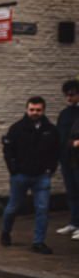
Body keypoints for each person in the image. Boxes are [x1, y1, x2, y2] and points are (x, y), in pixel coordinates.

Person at [0, 96, 60, 254]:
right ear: (27, 110)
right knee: (13, 207)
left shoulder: (51, 130)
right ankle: (5, 232)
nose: (35, 113)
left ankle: (38, 242)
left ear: (43, 110)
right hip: (20, 176)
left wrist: (51, 168)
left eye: (38, 110)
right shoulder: (17, 128)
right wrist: (13, 168)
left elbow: (56, 151)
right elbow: (8, 149)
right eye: (32, 109)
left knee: (42, 209)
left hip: (42, 177)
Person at [55, 80, 79, 239]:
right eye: (67, 95)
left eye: (72, 94)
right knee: (71, 192)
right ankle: (74, 222)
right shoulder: (64, 114)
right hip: (66, 159)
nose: (69, 98)